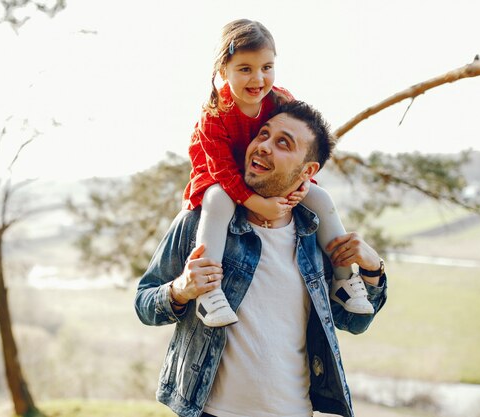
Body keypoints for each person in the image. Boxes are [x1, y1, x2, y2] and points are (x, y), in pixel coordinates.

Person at [135, 100, 388, 417]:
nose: (263, 146)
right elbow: (144, 303)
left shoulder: (317, 236)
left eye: (283, 143)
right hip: (209, 411)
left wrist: (373, 270)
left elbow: (354, 321)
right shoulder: (200, 223)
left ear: (308, 171)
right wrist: (180, 290)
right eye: (263, 134)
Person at [183, 19, 372, 328]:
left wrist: (301, 184)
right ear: (223, 72)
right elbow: (223, 172)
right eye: (245, 69)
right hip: (223, 176)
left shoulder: (280, 100)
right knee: (218, 201)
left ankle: (343, 279)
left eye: (266, 67)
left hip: (264, 172)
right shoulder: (214, 115)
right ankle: (209, 291)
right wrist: (257, 204)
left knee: (320, 197)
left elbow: (303, 149)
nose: (258, 78)